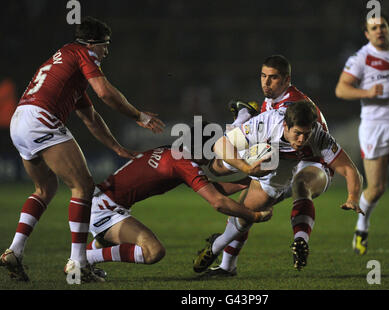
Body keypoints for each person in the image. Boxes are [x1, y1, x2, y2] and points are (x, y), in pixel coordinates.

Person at [0, 16, 165, 284]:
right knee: (84, 187)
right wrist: (139, 116)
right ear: (92, 44)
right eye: (105, 45)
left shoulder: (67, 66)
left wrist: (116, 147)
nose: (106, 51)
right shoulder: (82, 53)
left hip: (20, 120)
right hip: (41, 119)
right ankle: (78, 262)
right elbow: (105, 92)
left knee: (44, 189)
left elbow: (91, 119)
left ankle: (15, 251)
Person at [193, 100, 364, 277]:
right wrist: (246, 168)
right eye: (297, 133)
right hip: (259, 150)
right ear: (285, 125)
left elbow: (350, 170)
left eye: (306, 134)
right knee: (217, 169)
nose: (301, 139)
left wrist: (352, 197)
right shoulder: (267, 123)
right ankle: (242, 118)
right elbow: (220, 144)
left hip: (282, 168)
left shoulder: (319, 137)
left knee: (246, 213)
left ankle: (216, 247)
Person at [83, 124, 272, 278]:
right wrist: (254, 215)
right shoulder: (185, 164)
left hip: (102, 201)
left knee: (106, 242)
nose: (218, 154)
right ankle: (82, 260)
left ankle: (81, 265)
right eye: (217, 149)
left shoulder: (174, 153)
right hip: (105, 209)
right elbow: (218, 202)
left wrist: (247, 181)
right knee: (153, 252)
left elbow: (212, 190)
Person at [205, 55, 331, 274]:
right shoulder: (271, 101)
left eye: (273, 78)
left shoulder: (290, 105)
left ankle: (221, 252)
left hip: (307, 161)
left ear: (286, 79)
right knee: (242, 204)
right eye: (263, 76)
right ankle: (226, 264)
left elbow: (284, 138)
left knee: (227, 170)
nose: (266, 82)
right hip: (284, 160)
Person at [335, 13, 389, 257]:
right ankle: (361, 227)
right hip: (374, 126)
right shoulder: (361, 58)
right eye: (373, 28)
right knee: (377, 188)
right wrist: (366, 92)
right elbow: (341, 89)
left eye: (382, 26)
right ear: (367, 33)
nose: (379, 31)